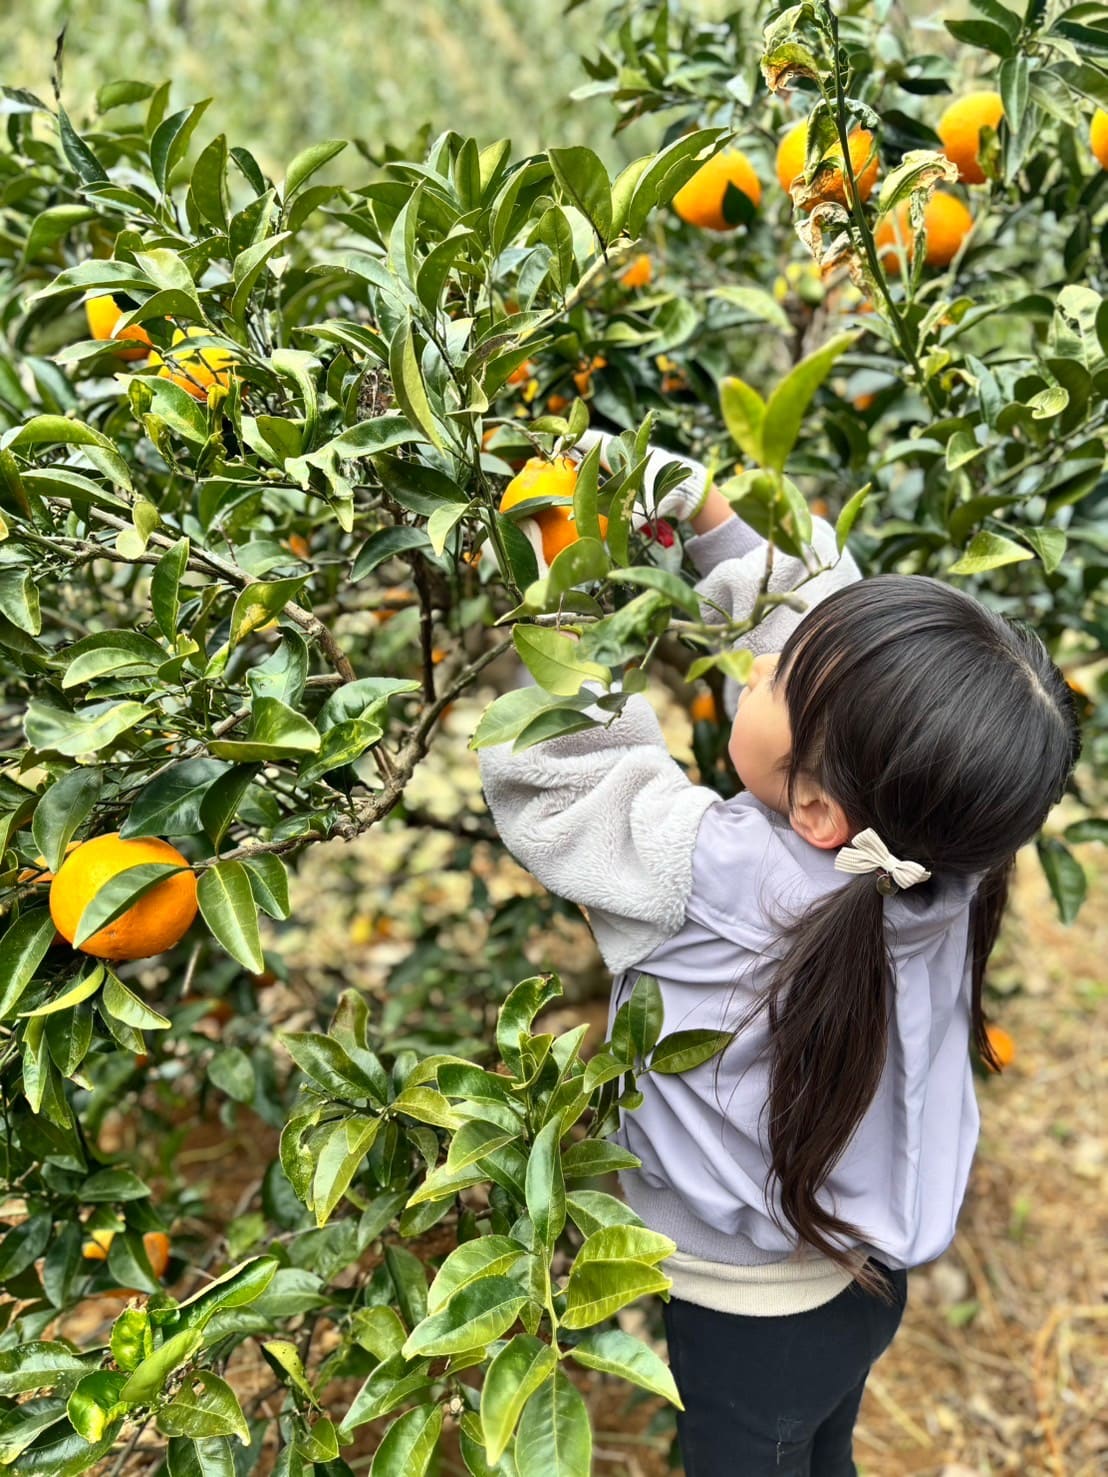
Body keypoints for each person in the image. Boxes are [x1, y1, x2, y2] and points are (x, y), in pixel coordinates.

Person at [476, 429, 1082, 1476]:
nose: (755, 660)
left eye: (770, 679)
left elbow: (570, 774)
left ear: (813, 801)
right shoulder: (951, 844)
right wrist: (712, 518)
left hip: (745, 1307)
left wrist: (564, 562)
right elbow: (836, 633)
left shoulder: (711, 878)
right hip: (864, 1274)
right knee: (820, 1444)